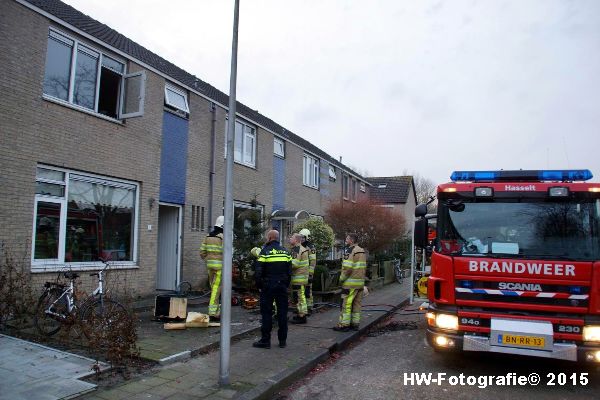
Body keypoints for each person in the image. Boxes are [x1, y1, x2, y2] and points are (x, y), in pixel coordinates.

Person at [253, 230, 292, 349]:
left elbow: (258, 272)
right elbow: (290, 272)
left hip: (268, 286)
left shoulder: (264, 252)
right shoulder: (286, 252)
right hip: (282, 286)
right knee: (282, 313)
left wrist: (259, 286)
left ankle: (265, 341)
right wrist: (286, 285)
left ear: (269, 238)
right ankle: (282, 341)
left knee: (267, 313)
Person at [334, 233, 367, 332]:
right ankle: (355, 324)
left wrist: (341, 279)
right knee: (357, 304)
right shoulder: (362, 251)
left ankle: (344, 325)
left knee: (346, 304)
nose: (346, 240)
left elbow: (347, 268)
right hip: (360, 283)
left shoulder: (350, 251)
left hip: (350, 284)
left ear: (351, 241)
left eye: (347, 238)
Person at [200, 216, 224, 322]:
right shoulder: (223, 238)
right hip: (220, 267)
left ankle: (216, 311)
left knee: (214, 288)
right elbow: (227, 252)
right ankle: (213, 312)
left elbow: (202, 252)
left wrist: (208, 259)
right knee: (216, 289)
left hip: (210, 266)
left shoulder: (207, 236)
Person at [289, 233, 310, 324]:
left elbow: (294, 264)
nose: (290, 239)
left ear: (296, 240)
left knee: (299, 298)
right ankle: (301, 314)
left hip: (298, 278)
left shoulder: (296, 249)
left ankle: (302, 316)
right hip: (303, 277)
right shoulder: (303, 249)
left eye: (291, 238)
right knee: (301, 297)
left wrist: (284, 264)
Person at [299, 228, 316, 314]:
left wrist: (310, 274)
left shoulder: (310, 247)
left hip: (308, 273)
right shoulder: (300, 246)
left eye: (303, 237)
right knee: (301, 292)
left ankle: (309, 308)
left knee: (308, 291)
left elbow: (313, 262)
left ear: (307, 238)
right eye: (300, 237)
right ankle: (304, 308)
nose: (301, 239)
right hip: (302, 273)